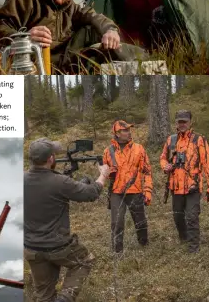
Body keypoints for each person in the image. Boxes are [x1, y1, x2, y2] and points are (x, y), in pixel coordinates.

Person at [0, 0, 148, 72]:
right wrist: (25, 37)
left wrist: (111, 30)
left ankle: (144, 61)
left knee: (93, 29)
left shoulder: (73, 8)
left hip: (66, 60)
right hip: (32, 61)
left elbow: (96, 17)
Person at [24, 138, 110, 302]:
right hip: (58, 246)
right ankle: (64, 298)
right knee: (84, 260)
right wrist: (103, 175)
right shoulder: (60, 182)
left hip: (32, 249)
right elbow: (91, 193)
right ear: (50, 159)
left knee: (44, 294)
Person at [160, 110, 209, 253]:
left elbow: (207, 163)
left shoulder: (199, 140)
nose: (182, 124)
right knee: (178, 217)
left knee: (192, 216)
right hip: (175, 186)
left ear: (190, 122)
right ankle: (184, 238)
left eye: (185, 121)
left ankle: (193, 247)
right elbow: (163, 158)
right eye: (180, 121)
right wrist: (165, 166)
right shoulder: (171, 140)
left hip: (193, 186)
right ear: (176, 123)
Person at [103, 120, 152, 254]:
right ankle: (117, 252)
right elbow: (103, 172)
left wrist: (147, 191)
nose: (128, 132)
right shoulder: (108, 151)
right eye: (125, 130)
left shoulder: (139, 148)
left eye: (129, 129)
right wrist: (108, 173)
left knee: (140, 221)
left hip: (135, 191)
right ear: (117, 133)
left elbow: (147, 171)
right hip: (116, 192)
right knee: (117, 223)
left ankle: (144, 244)